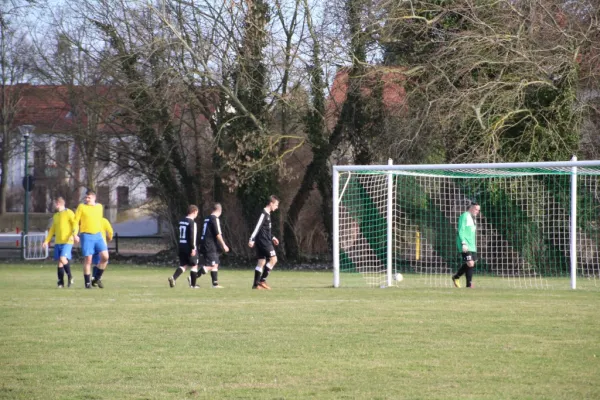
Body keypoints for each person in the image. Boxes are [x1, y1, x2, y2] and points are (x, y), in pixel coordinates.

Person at [73, 190, 109, 289]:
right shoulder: (81, 207)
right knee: (88, 259)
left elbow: (98, 221)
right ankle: (87, 283)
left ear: (94, 198)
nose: (87, 199)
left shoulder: (99, 207)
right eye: (86, 197)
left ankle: (96, 278)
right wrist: (75, 234)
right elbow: (76, 221)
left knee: (105, 257)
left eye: (89, 197)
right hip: (86, 236)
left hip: (98, 235)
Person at [42, 197, 76, 288]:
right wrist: (46, 241)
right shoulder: (56, 216)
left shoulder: (69, 213)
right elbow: (52, 230)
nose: (54, 205)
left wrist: (74, 234)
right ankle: (61, 282)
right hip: (58, 241)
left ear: (58, 204)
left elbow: (75, 224)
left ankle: (70, 276)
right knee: (60, 262)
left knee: (62, 258)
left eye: (55, 204)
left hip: (68, 241)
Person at [249, 195, 280, 290]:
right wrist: (251, 239)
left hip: (264, 240)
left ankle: (255, 285)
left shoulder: (268, 214)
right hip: (263, 242)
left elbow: (265, 230)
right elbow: (257, 227)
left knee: (261, 262)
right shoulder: (264, 214)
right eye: (276, 205)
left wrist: (273, 237)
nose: (277, 207)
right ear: (271, 203)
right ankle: (262, 280)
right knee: (274, 259)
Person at [196, 203, 230, 289]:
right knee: (211, 265)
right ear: (220, 211)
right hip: (209, 244)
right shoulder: (215, 219)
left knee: (215, 263)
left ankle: (215, 284)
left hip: (205, 243)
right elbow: (218, 234)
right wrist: (224, 245)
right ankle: (193, 277)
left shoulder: (207, 218)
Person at [168, 205, 199, 288]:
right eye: (197, 213)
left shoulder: (181, 221)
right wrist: (193, 248)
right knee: (194, 265)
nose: (197, 215)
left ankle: (173, 278)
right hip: (189, 246)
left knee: (183, 265)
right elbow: (192, 236)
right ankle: (193, 285)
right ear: (194, 211)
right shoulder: (192, 223)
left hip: (181, 245)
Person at [452, 202, 481, 288]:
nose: (477, 211)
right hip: (464, 244)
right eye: (476, 209)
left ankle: (457, 278)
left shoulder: (473, 218)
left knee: (471, 263)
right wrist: (463, 243)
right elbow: (461, 230)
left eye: (478, 210)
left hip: (472, 245)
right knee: (470, 263)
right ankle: (468, 284)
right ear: (471, 208)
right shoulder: (464, 216)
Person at [91, 217, 114, 288]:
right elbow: (110, 231)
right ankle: (97, 278)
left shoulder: (91, 220)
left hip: (91, 243)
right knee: (104, 261)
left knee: (97, 262)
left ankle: (94, 278)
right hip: (102, 244)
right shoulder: (103, 220)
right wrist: (109, 238)